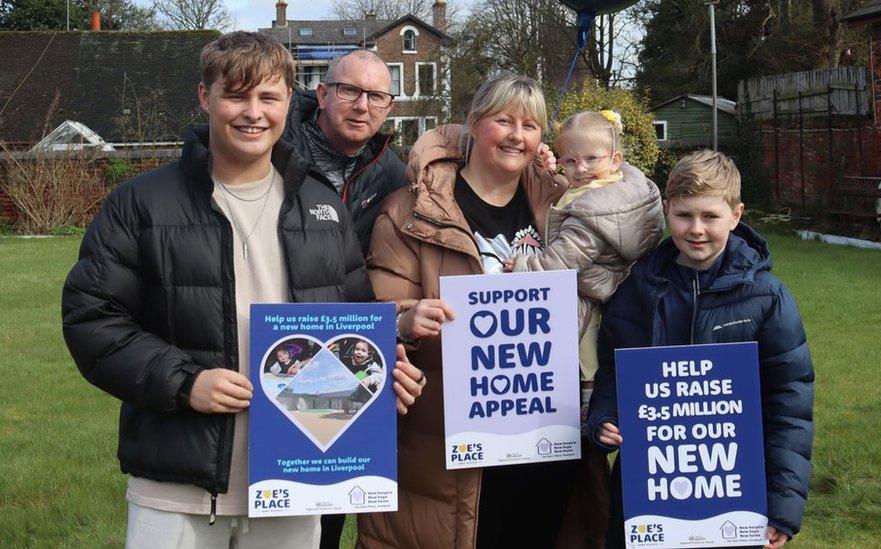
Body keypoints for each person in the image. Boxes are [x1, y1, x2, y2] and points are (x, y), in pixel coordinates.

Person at [61, 31, 426, 548]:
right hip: (180, 486)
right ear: (205, 97)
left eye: (268, 97)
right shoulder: (140, 203)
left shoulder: (321, 208)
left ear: (287, 104)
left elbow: (355, 319)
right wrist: (186, 382)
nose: (252, 112)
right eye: (236, 94)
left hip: (297, 478)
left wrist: (385, 365)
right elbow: (93, 321)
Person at [362, 73, 603, 549]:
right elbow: (378, 310)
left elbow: (634, 207)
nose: (517, 135)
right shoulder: (409, 212)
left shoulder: (563, 205)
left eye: (530, 125)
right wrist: (405, 320)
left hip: (548, 428)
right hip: (452, 440)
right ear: (473, 124)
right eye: (503, 120)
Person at [585, 150, 815, 549]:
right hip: (647, 491)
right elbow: (612, 373)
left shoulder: (767, 297)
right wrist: (604, 416)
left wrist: (782, 504)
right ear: (665, 209)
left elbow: (789, 405)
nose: (696, 229)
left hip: (732, 490)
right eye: (684, 215)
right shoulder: (636, 290)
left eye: (710, 217)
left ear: (736, 215)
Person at [503, 109, 665, 422]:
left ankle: (588, 401)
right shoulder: (624, 186)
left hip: (593, 294)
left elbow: (562, 262)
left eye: (592, 159)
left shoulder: (591, 213)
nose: (582, 169)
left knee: (584, 342)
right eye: (570, 161)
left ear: (615, 159)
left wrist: (524, 264)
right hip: (621, 288)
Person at [282, 49, 409, 253]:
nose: (362, 106)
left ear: (388, 109)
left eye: (376, 96)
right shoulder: (275, 154)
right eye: (349, 90)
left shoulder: (396, 178)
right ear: (322, 95)